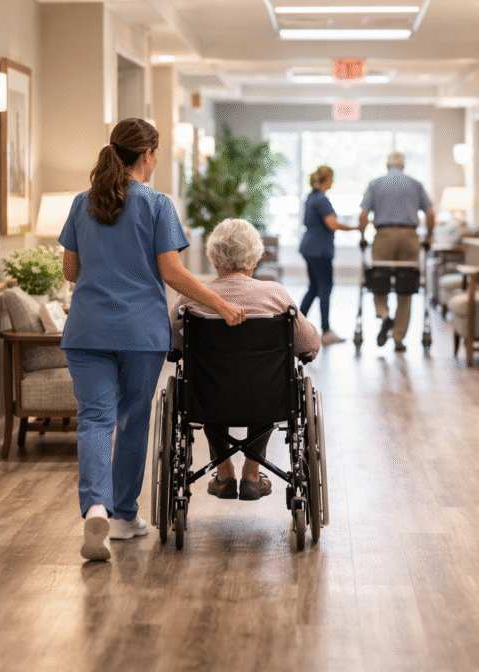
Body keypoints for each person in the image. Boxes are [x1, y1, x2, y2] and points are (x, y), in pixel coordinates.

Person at [59, 118, 246, 562]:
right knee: (131, 421)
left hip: (86, 330)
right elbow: (172, 272)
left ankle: (95, 507)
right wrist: (220, 305)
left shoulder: (82, 203)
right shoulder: (157, 204)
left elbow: (70, 272)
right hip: (140, 334)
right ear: (147, 156)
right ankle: (123, 517)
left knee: (94, 420)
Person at [170, 218, 321, 501]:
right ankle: (252, 474)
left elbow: (171, 342)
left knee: (207, 383)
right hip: (268, 397)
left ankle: (225, 473)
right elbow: (310, 346)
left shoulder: (191, 298)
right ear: (254, 259)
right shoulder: (275, 295)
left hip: (208, 397)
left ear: (214, 260)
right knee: (265, 381)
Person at [358, 151, 436, 352]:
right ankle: (399, 337)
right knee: (406, 284)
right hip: (410, 236)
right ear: (403, 166)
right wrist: (428, 237)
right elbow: (430, 212)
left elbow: (364, 214)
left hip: (383, 235)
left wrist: (362, 237)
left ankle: (384, 315)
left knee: (378, 278)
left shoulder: (375, 184)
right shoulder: (415, 184)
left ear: (386, 165)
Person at [298, 165, 359, 345]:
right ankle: (325, 331)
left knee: (314, 287)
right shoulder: (322, 199)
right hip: (319, 250)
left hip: (309, 247)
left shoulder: (311, 197)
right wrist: (355, 228)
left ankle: (296, 326)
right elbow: (332, 224)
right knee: (325, 288)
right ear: (328, 179)